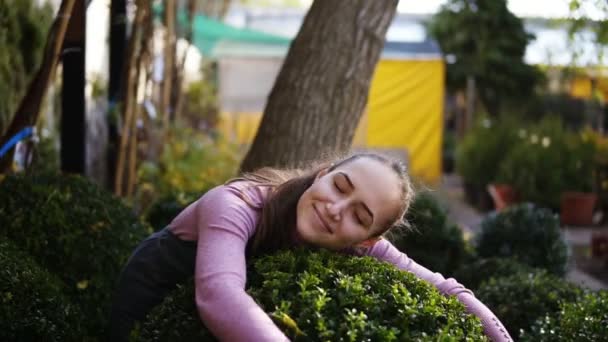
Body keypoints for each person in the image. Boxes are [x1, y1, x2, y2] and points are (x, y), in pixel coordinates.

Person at [109, 152, 513, 341]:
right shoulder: (236, 204)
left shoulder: (362, 246)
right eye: (339, 186)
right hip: (150, 303)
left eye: (360, 216)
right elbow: (219, 295)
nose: (337, 210)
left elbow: (445, 287)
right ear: (323, 173)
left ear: (368, 240)